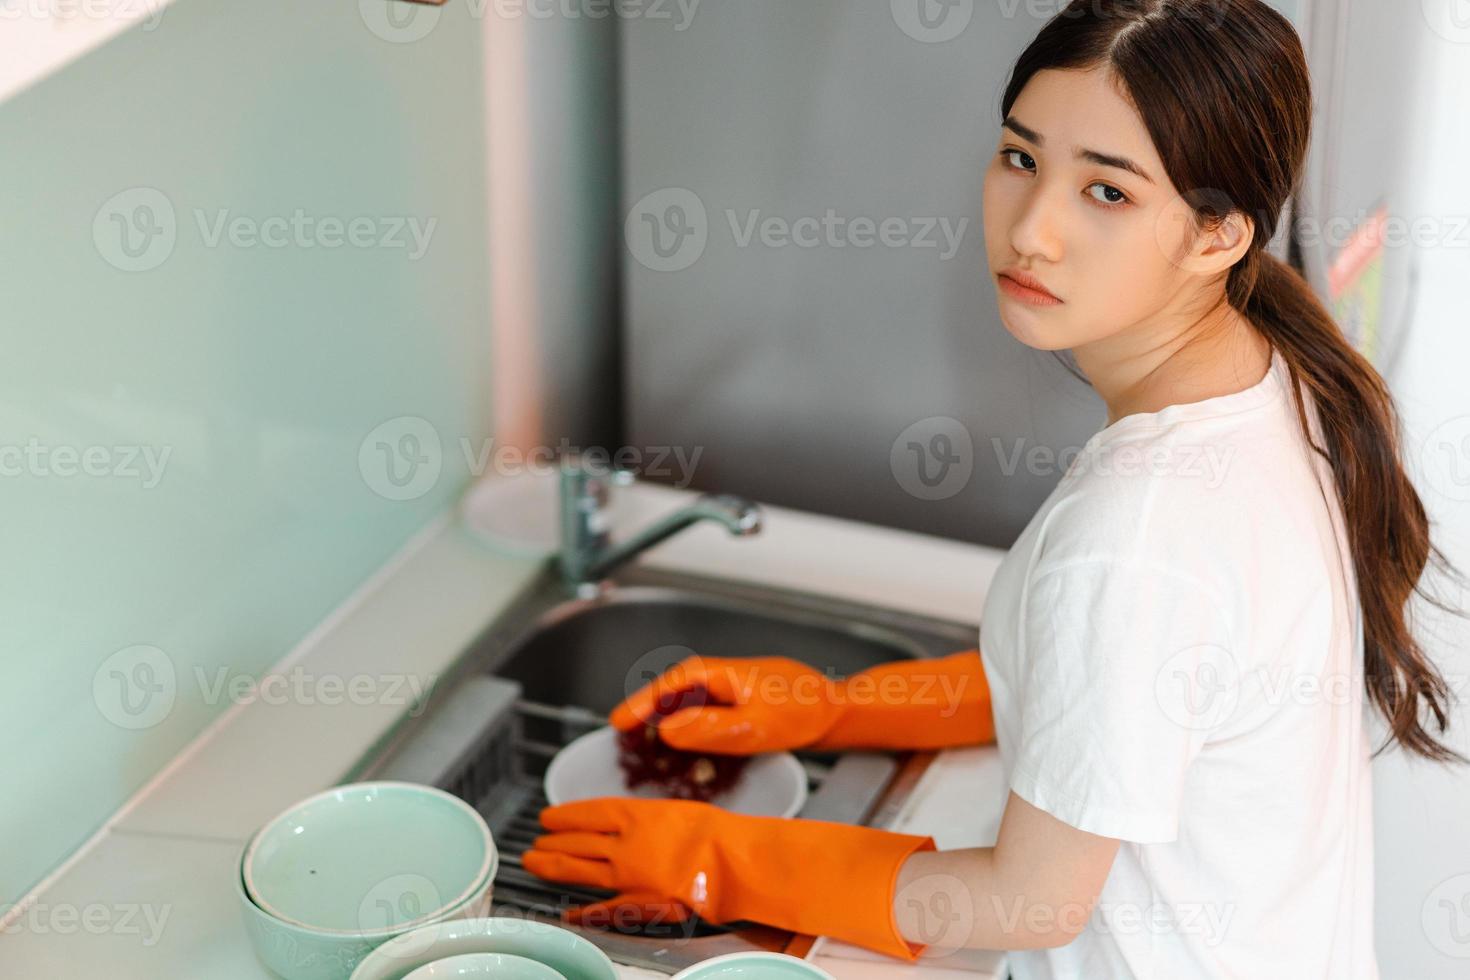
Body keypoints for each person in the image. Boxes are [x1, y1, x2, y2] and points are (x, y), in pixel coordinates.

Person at [523, 1, 1465, 975]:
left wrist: (717, 858)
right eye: (1022, 157)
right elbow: (1122, 689)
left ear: (1217, 235)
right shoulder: (1270, 376)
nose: (1034, 231)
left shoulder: (1141, 529)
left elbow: (1031, 897)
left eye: (1107, 192)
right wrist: (840, 710)